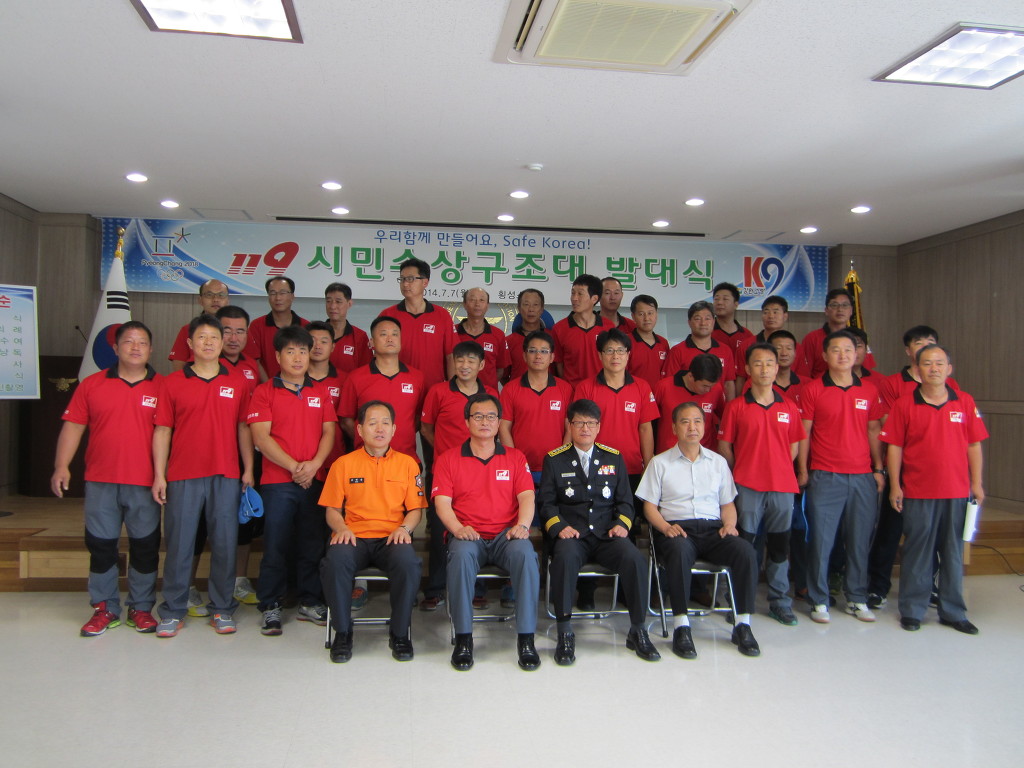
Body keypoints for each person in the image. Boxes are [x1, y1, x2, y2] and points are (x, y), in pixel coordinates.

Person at [52, 320, 162, 636]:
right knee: (101, 546)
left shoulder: (163, 387)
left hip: (145, 483)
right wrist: (61, 466)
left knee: (145, 547)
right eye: (128, 341)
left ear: (151, 349)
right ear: (115, 348)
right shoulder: (92, 384)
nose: (135, 347)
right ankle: (104, 607)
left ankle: (141, 608)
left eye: (142, 342)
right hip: (101, 480)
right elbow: (74, 426)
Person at [152, 314, 255, 637]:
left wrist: (248, 468)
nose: (208, 343)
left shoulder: (237, 382)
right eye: (202, 337)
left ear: (223, 343)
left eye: (214, 337)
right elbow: (162, 430)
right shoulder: (172, 383)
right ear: (190, 343)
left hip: (226, 474)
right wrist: (159, 475)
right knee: (180, 544)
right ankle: (172, 609)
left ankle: (222, 608)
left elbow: (244, 428)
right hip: (183, 474)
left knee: (224, 544)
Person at [637, 402, 761, 658]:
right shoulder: (660, 463)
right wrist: (665, 527)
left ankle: (743, 624)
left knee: (745, 552)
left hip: (714, 530)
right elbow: (649, 507)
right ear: (674, 428)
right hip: (677, 530)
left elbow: (727, 504)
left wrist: (729, 525)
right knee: (679, 551)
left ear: (705, 427)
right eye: (685, 422)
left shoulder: (718, 463)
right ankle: (681, 626)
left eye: (697, 421)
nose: (692, 427)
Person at [539, 399, 658, 665]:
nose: (585, 428)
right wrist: (559, 527)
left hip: (607, 534)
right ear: (570, 425)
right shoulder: (554, 460)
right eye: (579, 423)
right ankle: (565, 632)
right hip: (572, 534)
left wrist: (622, 524)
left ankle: (638, 630)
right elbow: (546, 503)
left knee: (635, 559)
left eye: (590, 423)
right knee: (564, 559)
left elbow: (626, 501)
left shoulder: (613, 457)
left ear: (599, 427)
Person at [881, 345, 987, 634]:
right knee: (918, 551)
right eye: (927, 364)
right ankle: (912, 611)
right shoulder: (904, 404)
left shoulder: (964, 401)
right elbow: (894, 447)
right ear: (917, 369)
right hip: (918, 491)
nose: (934, 369)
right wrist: (896, 485)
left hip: (956, 491)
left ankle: (953, 611)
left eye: (940, 363)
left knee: (953, 552)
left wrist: (976, 483)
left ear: (949, 369)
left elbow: (974, 444)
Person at [432, 393, 541, 671]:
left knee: (526, 555)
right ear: (467, 422)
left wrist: (523, 526)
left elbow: (527, 496)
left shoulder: (515, 458)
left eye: (491, 416)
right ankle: (463, 639)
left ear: (499, 422)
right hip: (469, 535)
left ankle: (526, 639)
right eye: (478, 416)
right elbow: (442, 503)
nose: (485, 422)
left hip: (507, 535)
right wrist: (458, 528)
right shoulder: (448, 459)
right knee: (460, 557)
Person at [248, 325, 338, 635]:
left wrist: (314, 466)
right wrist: (295, 467)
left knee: (312, 543)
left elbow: (329, 431)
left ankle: (309, 600)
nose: (298, 357)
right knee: (276, 543)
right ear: (277, 356)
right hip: (278, 482)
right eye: (290, 351)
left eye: (303, 351)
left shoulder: (320, 391)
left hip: (315, 478)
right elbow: (261, 437)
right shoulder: (264, 392)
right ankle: (271, 604)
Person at [319, 400, 425, 662]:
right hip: (353, 536)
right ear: (359, 429)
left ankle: (399, 634)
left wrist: (405, 528)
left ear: (394, 429)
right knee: (334, 562)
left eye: (386, 423)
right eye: (373, 423)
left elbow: (415, 510)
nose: (380, 429)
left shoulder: (408, 464)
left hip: (391, 537)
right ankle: (343, 633)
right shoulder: (343, 464)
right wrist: (341, 528)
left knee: (409, 563)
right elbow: (332, 509)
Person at [796, 330, 884, 624]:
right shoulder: (813, 389)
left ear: (858, 354)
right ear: (825, 355)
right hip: (825, 475)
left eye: (849, 349)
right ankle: (819, 599)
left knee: (859, 540)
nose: (843, 355)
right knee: (821, 541)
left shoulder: (869, 390)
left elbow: (874, 431)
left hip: (862, 476)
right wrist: (803, 469)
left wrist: (878, 468)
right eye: (836, 350)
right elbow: (804, 432)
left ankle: (857, 597)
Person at [867, 325, 957, 609]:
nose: (925, 348)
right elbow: (890, 425)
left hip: (938, 475)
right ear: (909, 351)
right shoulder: (893, 384)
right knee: (890, 530)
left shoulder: (952, 388)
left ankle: (929, 586)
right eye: (919, 344)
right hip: (903, 470)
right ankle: (878, 587)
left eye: (931, 343)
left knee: (932, 534)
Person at [717, 343, 806, 626]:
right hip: (747, 485)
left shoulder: (788, 406)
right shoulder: (736, 407)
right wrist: (743, 470)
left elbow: (794, 446)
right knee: (744, 545)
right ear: (747, 369)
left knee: (780, 545)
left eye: (769, 363)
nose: (764, 369)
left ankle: (780, 602)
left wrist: (777, 467)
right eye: (758, 363)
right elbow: (725, 447)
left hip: (782, 486)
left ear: (777, 368)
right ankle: (739, 600)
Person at [420, 340, 499, 609]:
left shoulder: (490, 395)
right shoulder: (438, 391)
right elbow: (426, 428)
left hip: (481, 474)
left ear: (481, 365)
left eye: (471, 361)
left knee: (478, 528)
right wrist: (446, 455)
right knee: (440, 531)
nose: (464, 365)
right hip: (445, 474)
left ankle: (477, 588)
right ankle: (436, 588)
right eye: (460, 360)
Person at [337, 316, 426, 461]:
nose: (390, 339)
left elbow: (418, 418)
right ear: (372, 342)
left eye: (395, 334)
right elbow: (346, 421)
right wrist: (369, 441)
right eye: (383, 334)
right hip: (366, 461)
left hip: (406, 460)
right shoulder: (356, 378)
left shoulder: (417, 377)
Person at [499, 330, 573, 483]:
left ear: (552, 357)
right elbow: (504, 427)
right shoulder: (510, 389)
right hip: (521, 467)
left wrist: (561, 459)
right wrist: (515, 460)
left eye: (544, 351)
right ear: (524, 356)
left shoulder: (565, 389)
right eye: (532, 351)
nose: (538, 356)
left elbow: (570, 428)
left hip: (556, 466)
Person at [378, 257, 457, 391]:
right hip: (396, 388)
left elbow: (451, 355)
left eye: (410, 279)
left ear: (425, 282)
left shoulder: (442, 315)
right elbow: (379, 354)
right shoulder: (388, 315)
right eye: (402, 279)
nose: (405, 284)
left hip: (432, 389)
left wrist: (452, 390)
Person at [653, 353, 725, 454]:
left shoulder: (716, 389)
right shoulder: (663, 387)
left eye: (712, 386)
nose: (708, 390)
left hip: (705, 454)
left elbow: (724, 418)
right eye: (704, 386)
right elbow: (649, 423)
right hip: (669, 454)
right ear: (691, 376)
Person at [798, 289, 876, 379]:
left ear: (851, 310)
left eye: (845, 305)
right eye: (834, 305)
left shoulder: (859, 338)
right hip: (821, 386)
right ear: (826, 310)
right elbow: (804, 374)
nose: (840, 309)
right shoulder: (812, 338)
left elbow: (866, 371)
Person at [665, 300, 737, 400]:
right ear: (689, 322)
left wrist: (729, 407)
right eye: (697, 319)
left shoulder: (725, 350)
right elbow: (670, 384)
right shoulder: (677, 351)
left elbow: (728, 384)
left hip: (716, 406)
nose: (703, 323)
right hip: (687, 406)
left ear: (713, 321)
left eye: (707, 318)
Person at [551, 273, 612, 387]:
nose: (574, 298)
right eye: (573, 293)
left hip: (601, 389)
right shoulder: (559, 329)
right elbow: (559, 364)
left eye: (580, 294)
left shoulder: (608, 327)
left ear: (594, 299)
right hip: (572, 392)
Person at [167, 279, 234, 370]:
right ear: (200, 300)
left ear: (228, 300)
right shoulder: (187, 330)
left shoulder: (238, 331)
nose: (215, 299)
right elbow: (179, 367)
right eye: (209, 295)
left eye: (221, 295)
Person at [249, 276, 308, 380]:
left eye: (282, 293)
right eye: (273, 293)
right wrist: (269, 386)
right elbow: (255, 361)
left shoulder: (305, 326)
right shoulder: (256, 325)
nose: (278, 298)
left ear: (292, 296)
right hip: (266, 386)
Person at [456, 287, 509, 391]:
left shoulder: (498, 335)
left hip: (487, 395)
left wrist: (484, 387)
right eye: (472, 300)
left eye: (482, 300)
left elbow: (500, 370)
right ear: (464, 304)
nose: (477, 304)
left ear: (487, 305)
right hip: (458, 394)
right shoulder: (453, 332)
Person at [735, 296, 790, 391]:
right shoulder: (747, 345)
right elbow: (741, 378)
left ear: (785, 316)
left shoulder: (794, 348)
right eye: (766, 312)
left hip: (784, 396)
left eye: (775, 312)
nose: (771, 316)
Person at [323, 282, 372, 374]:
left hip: (349, 383)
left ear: (349, 303)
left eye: (338, 302)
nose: (332, 306)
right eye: (328, 301)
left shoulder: (360, 336)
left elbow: (366, 370)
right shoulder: (315, 333)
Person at [711, 282, 754, 377]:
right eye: (716, 299)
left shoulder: (747, 335)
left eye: (725, 299)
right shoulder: (707, 333)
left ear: (736, 304)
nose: (719, 302)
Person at [504, 288, 547, 384]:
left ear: (542, 309)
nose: (531, 309)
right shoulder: (509, 341)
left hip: (548, 392)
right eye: (526, 304)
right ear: (519, 308)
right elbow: (504, 375)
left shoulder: (552, 338)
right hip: (517, 391)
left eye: (535, 305)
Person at [627, 294, 669, 390]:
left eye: (650, 313)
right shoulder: (625, 342)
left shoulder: (663, 343)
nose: (646, 318)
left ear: (656, 314)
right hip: (634, 395)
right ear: (633, 316)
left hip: (659, 396)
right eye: (641, 314)